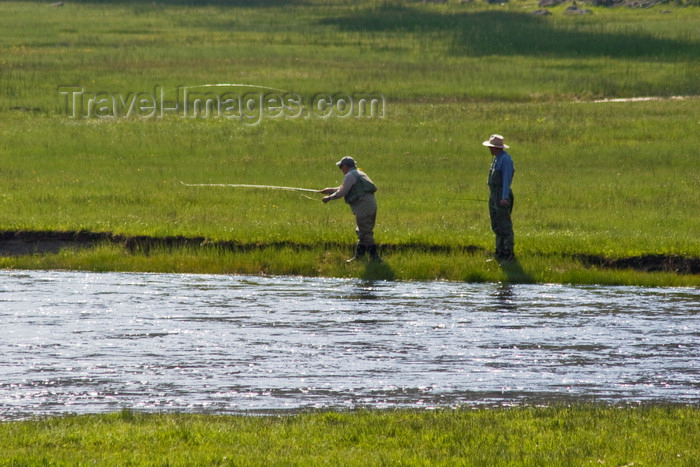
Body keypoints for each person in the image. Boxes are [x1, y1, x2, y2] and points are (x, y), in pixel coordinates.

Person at [321, 156, 381, 263]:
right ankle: (359, 258)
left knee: (365, 232)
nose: (340, 169)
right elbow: (346, 188)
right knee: (362, 230)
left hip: (364, 206)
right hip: (369, 204)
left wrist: (329, 198)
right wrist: (330, 190)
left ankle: (375, 258)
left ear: (345, 166)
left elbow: (342, 192)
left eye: (340, 167)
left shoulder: (350, 175)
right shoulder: (358, 173)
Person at [483, 134, 515, 263]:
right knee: (496, 225)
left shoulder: (505, 160)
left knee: (504, 226)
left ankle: (508, 254)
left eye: (491, 147)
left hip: (502, 196)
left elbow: (506, 180)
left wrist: (504, 197)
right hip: (494, 196)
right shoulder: (496, 159)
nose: (489, 149)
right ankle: (499, 253)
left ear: (496, 148)